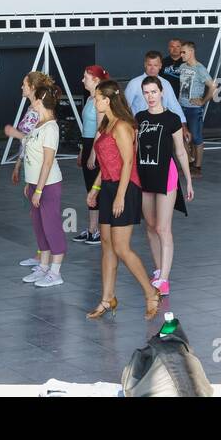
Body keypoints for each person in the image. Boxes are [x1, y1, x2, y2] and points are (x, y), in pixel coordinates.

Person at [85, 80, 161, 321]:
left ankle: (151, 293)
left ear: (108, 100)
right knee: (106, 245)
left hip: (125, 188)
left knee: (121, 248)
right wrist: (96, 188)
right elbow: (107, 161)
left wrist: (119, 196)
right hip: (108, 186)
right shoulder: (107, 124)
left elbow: (128, 163)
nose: (94, 101)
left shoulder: (122, 126)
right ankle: (107, 299)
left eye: (97, 97)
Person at [135, 77, 194, 298]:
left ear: (161, 93)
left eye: (153, 91)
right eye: (146, 92)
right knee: (150, 226)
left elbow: (180, 151)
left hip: (166, 177)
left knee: (163, 228)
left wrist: (188, 180)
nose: (150, 96)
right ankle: (159, 269)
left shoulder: (172, 119)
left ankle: (165, 280)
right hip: (145, 176)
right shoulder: (139, 118)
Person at [19, 83, 67, 288]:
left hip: (48, 185)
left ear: (39, 101)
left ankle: (55, 271)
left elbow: (47, 162)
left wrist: (38, 189)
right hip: (35, 183)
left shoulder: (51, 127)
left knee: (51, 226)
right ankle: (44, 265)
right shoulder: (37, 123)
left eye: (34, 100)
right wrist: (29, 184)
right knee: (39, 227)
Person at [6, 71, 52, 272]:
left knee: (43, 213)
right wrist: (18, 165)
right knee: (35, 214)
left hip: (38, 167)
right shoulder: (30, 109)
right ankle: (40, 252)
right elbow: (26, 142)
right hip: (29, 166)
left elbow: (32, 140)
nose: (22, 87)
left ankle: (46, 256)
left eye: (24, 84)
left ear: (33, 87)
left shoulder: (39, 112)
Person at [73, 65, 108, 245]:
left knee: (97, 188)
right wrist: (82, 150)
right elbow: (86, 128)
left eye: (85, 77)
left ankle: (101, 231)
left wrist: (94, 153)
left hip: (96, 146)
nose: (82, 80)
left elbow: (100, 130)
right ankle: (92, 229)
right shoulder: (89, 99)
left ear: (95, 80)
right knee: (89, 188)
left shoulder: (100, 100)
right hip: (87, 144)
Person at [177, 41, 215, 176]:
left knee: (196, 137)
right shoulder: (182, 66)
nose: (181, 54)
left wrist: (203, 101)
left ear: (191, 52)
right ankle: (190, 161)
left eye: (183, 52)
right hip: (181, 107)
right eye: (181, 52)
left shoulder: (200, 69)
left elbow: (212, 86)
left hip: (194, 109)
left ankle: (197, 167)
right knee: (181, 136)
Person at [124, 51, 185, 118]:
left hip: (162, 122)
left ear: (160, 66)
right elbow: (124, 106)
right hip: (140, 124)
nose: (152, 68)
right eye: (149, 65)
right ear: (145, 65)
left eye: (155, 65)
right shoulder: (134, 83)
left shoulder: (165, 83)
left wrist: (183, 123)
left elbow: (174, 106)